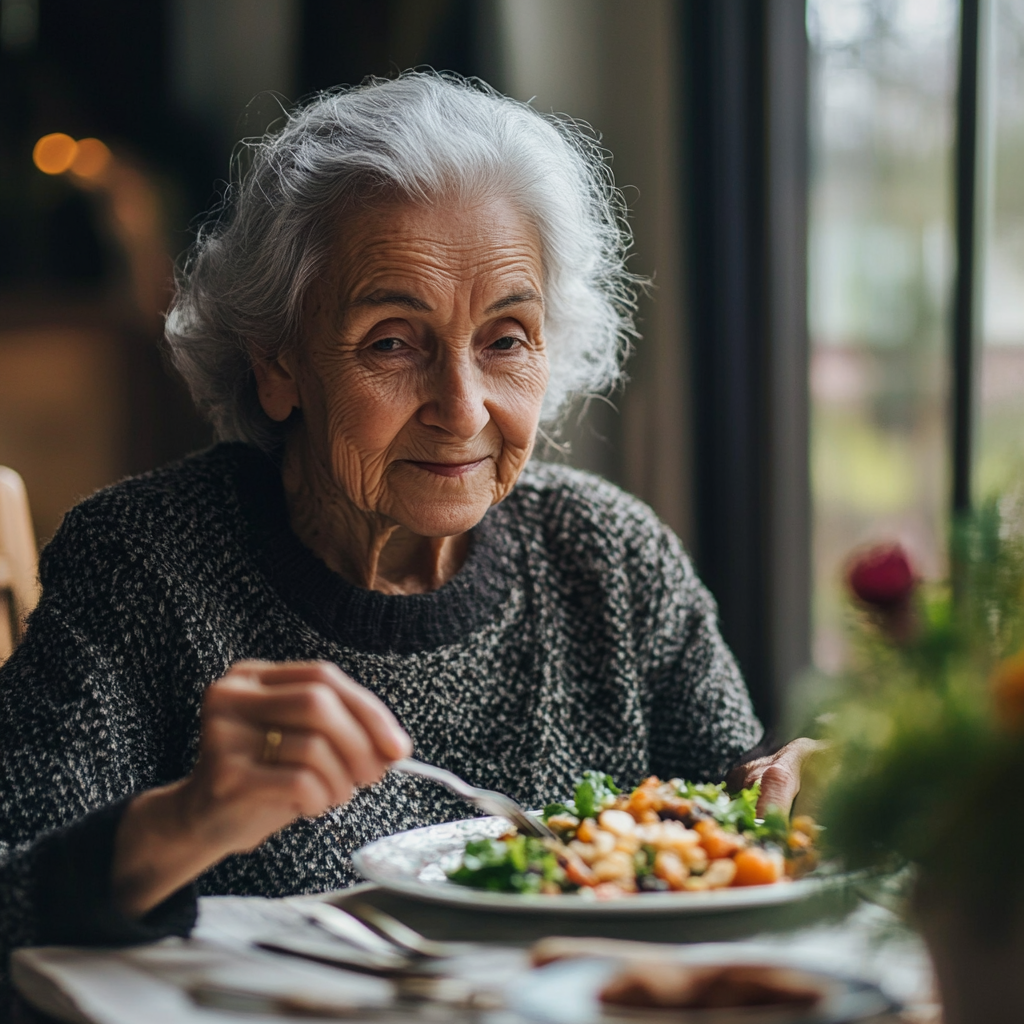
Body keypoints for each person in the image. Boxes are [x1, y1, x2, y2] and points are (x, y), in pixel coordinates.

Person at [0, 72, 812, 1000]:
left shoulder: (615, 560)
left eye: (506, 338)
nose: (462, 409)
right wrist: (188, 820)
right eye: (393, 341)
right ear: (278, 366)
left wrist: (813, 793)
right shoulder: (145, 565)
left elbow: (744, 837)